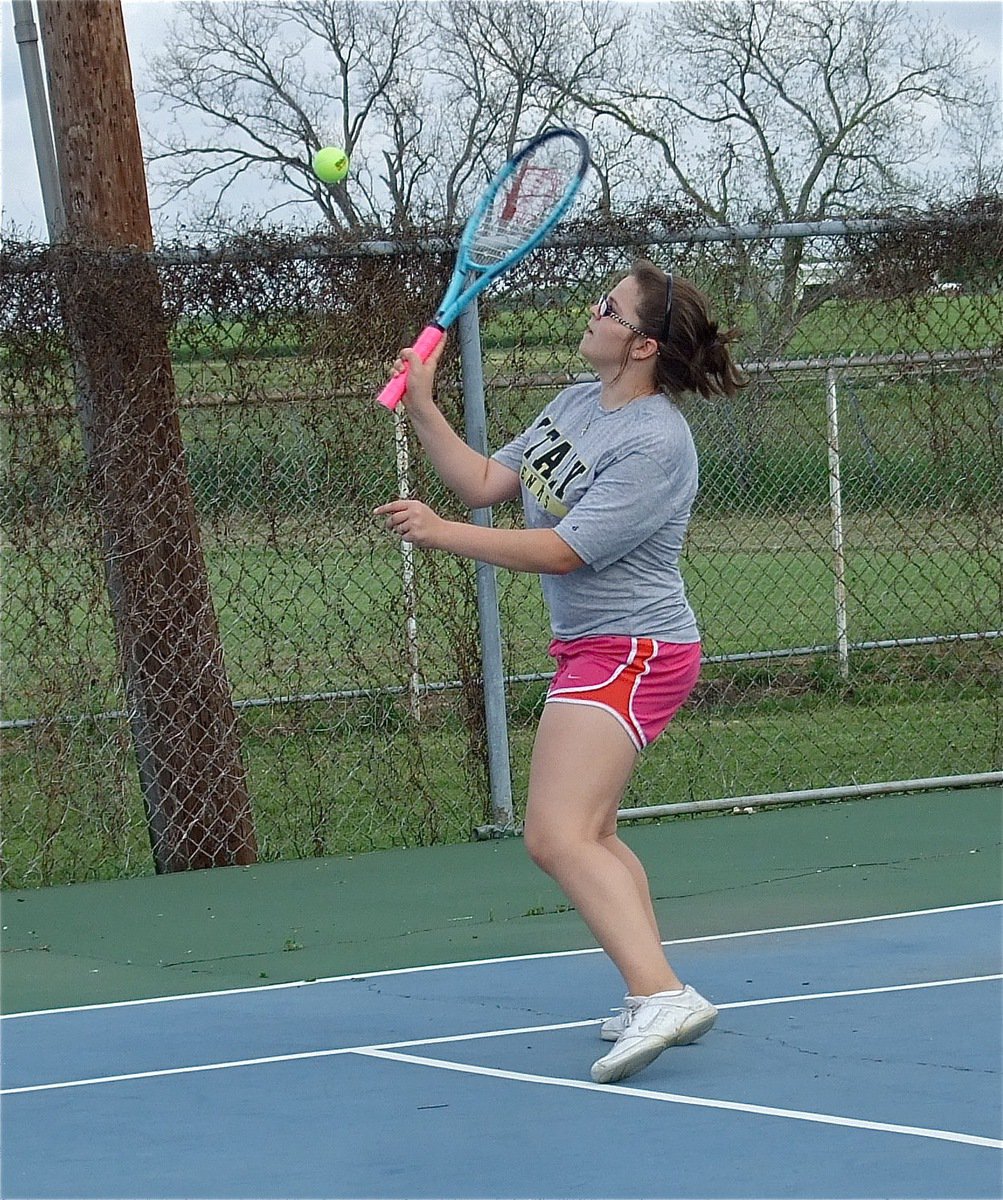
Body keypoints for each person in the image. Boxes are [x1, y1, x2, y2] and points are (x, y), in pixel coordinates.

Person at [375, 258, 746, 1084]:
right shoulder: (577, 405)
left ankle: (660, 994)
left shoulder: (653, 442)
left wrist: (440, 535)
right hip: (596, 646)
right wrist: (426, 403)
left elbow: (561, 550)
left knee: (554, 834)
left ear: (642, 345)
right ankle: (651, 987)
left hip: (635, 649)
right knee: (594, 833)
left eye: (606, 307)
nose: (590, 312)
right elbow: (481, 483)